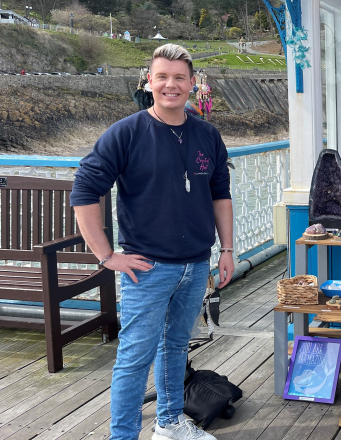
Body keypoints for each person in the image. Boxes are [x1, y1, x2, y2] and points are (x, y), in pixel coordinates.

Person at [70, 43, 236, 440]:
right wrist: (107, 256)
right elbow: (84, 191)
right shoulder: (125, 134)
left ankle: (169, 423)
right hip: (147, 269)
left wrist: (226, 250)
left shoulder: (206, 134)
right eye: (162, 76)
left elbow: (220, 193)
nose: (171, 85)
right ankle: (123, 436)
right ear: (149, 81)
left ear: (193, 84)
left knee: (176, 348)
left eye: (180, 77)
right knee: (134, 359)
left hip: (196, 264)